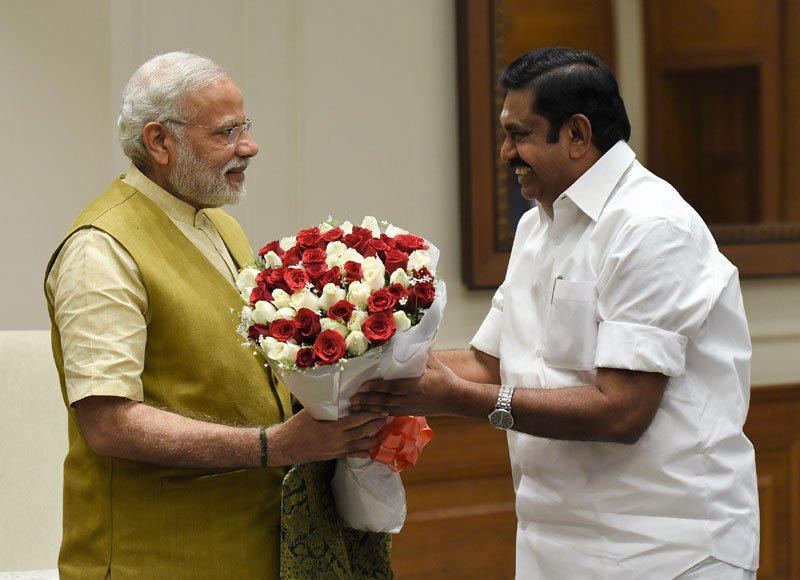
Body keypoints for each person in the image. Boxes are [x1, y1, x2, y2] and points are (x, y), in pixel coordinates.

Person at [352, 47, 759, 579]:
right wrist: (370, 367)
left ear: (577, 135)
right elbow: (490, 363)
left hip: (668, 548)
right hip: (554, 542)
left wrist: (457, 400)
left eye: (519, 134)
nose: (504, 152)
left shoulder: (652, 227)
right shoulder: (536, 225)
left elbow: (623, 411)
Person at [45, 51, 387, 580]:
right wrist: (272, 446)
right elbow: (108, 424)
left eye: (244, 127)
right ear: (160, 142)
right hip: (155, 557)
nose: (248, 147)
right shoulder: (100, 250)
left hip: (251, 544)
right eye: (226, 133)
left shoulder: (219, 224)